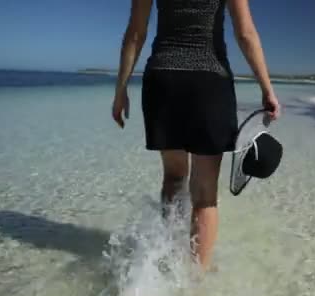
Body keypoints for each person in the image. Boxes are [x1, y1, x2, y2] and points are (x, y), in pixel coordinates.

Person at [111, 0, 280, 272]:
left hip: (163, 81)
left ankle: (168, 254)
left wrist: (120, 90)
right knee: (205, 196)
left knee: (174, 177)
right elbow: (245, 33)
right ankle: (195, 283)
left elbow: (135, 33)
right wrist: (267, 89)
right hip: (209, 84)